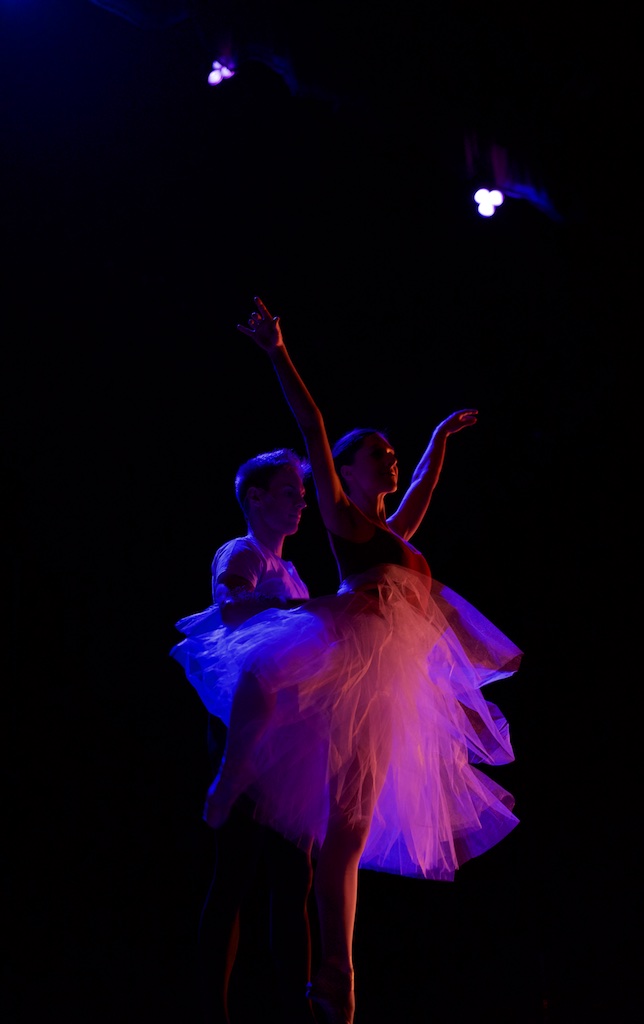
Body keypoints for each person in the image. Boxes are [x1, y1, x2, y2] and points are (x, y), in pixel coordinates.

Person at [181, 296, 523, 1024]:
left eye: (394, 453)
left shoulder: (393, 534)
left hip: (392, 680)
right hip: (352, 656)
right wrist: (278, 353)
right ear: (346, 469)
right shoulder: (343, 518)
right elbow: (312, 425)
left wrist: (434, 445)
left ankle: (337, 985)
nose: (391, 459)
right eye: (381, 451)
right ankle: (234, 773)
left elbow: (421, 494)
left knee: (350, 831)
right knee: (269, 681)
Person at [171, 448, 317, 1024]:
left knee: (293, 879)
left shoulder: (294, 572)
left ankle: (296, 1007)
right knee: (234, 872)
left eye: (302, 493)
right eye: (289, 491)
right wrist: (283, 609)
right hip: (247, 738)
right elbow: (230, 603)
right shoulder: (244, 552)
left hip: (285, 742)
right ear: (255, 499)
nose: (300, 501)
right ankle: (214, 1009)